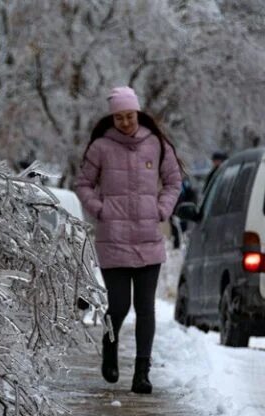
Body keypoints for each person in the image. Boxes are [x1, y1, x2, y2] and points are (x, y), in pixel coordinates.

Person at [74, 86, 183, 394]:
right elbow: (83, 184)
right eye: (119, 117)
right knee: (119, 306)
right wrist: (100, 209)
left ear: (138, 112)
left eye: (129, 115)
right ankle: (110, 352)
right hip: (114, 239)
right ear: (113, 118)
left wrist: (161, 209)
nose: (125, 122)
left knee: (145, 306)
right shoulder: (101, 148)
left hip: (149, 238)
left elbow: (174, 181)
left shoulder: (156, 144)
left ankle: (142, 373)